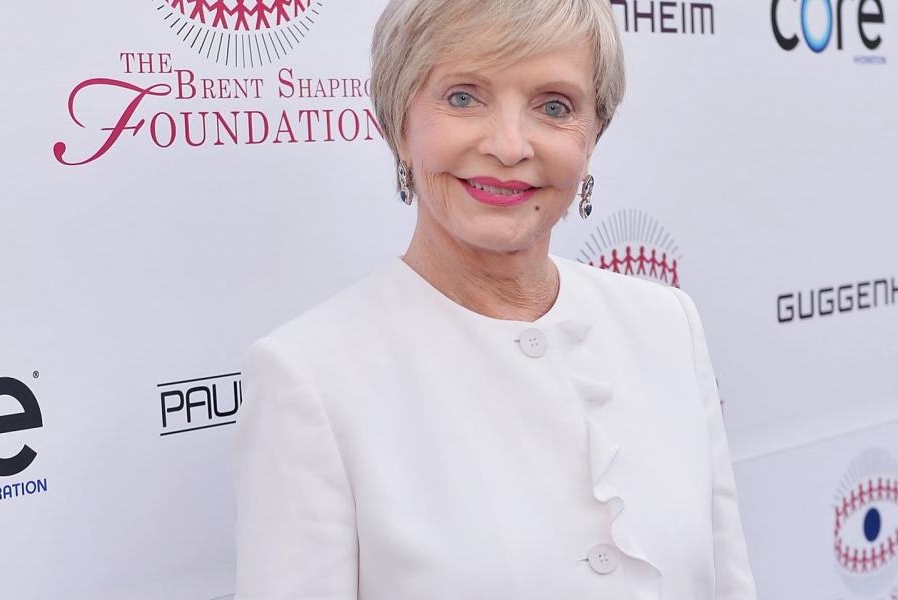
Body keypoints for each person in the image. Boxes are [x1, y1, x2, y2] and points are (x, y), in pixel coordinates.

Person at [233, 1, 758, 598]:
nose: (510, 146)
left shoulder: (666, 324)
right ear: (399, 124)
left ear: (593, 136)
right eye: (463, 97)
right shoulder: (310, 378)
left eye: (554, 107)